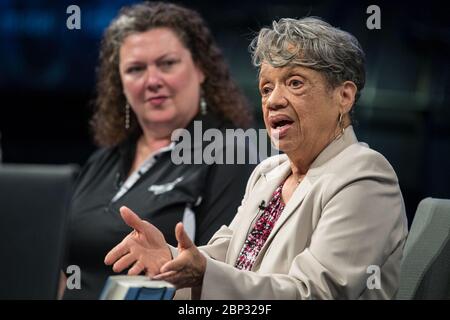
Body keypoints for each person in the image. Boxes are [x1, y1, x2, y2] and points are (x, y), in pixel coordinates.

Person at [104, 17, 409, 299]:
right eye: (266, 88)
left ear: (343, 96)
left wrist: (204, 274)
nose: (274, 100)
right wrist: (171, 258)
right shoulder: (269, 172)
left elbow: (314, 292)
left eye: (295, 83)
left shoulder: (364, 176)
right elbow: (226, 258)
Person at [62, 2, 256, 299]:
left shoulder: (230, 153)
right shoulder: (103, 159)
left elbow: (228, 275)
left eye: (167, 64)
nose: (153, 81)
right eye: (136, 69)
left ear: (201, 69)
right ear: (121, 83)